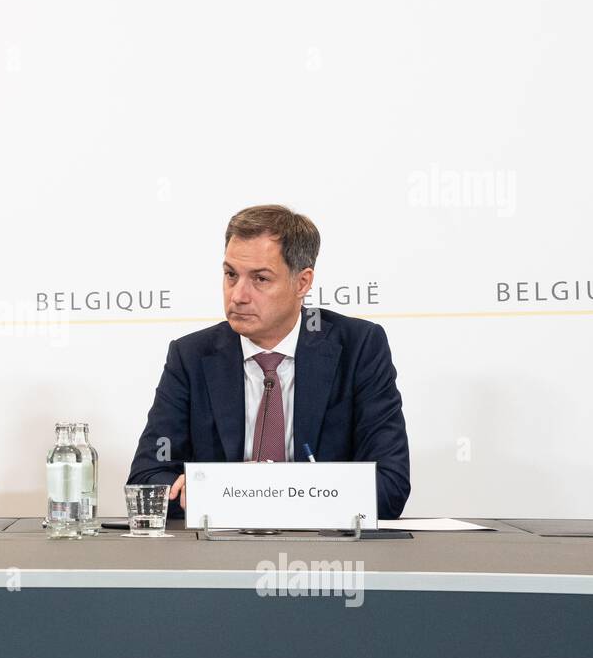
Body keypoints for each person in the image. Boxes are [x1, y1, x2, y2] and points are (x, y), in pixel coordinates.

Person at [127, 204, 411, 519]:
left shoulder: (359, 347)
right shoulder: (191, 356)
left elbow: (389, 486)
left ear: (302, 283)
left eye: (260, 279)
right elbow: (146, 482)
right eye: (230, 275)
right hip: (218, 558)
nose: (237, 295)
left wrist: (249, 491)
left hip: (323, 555)